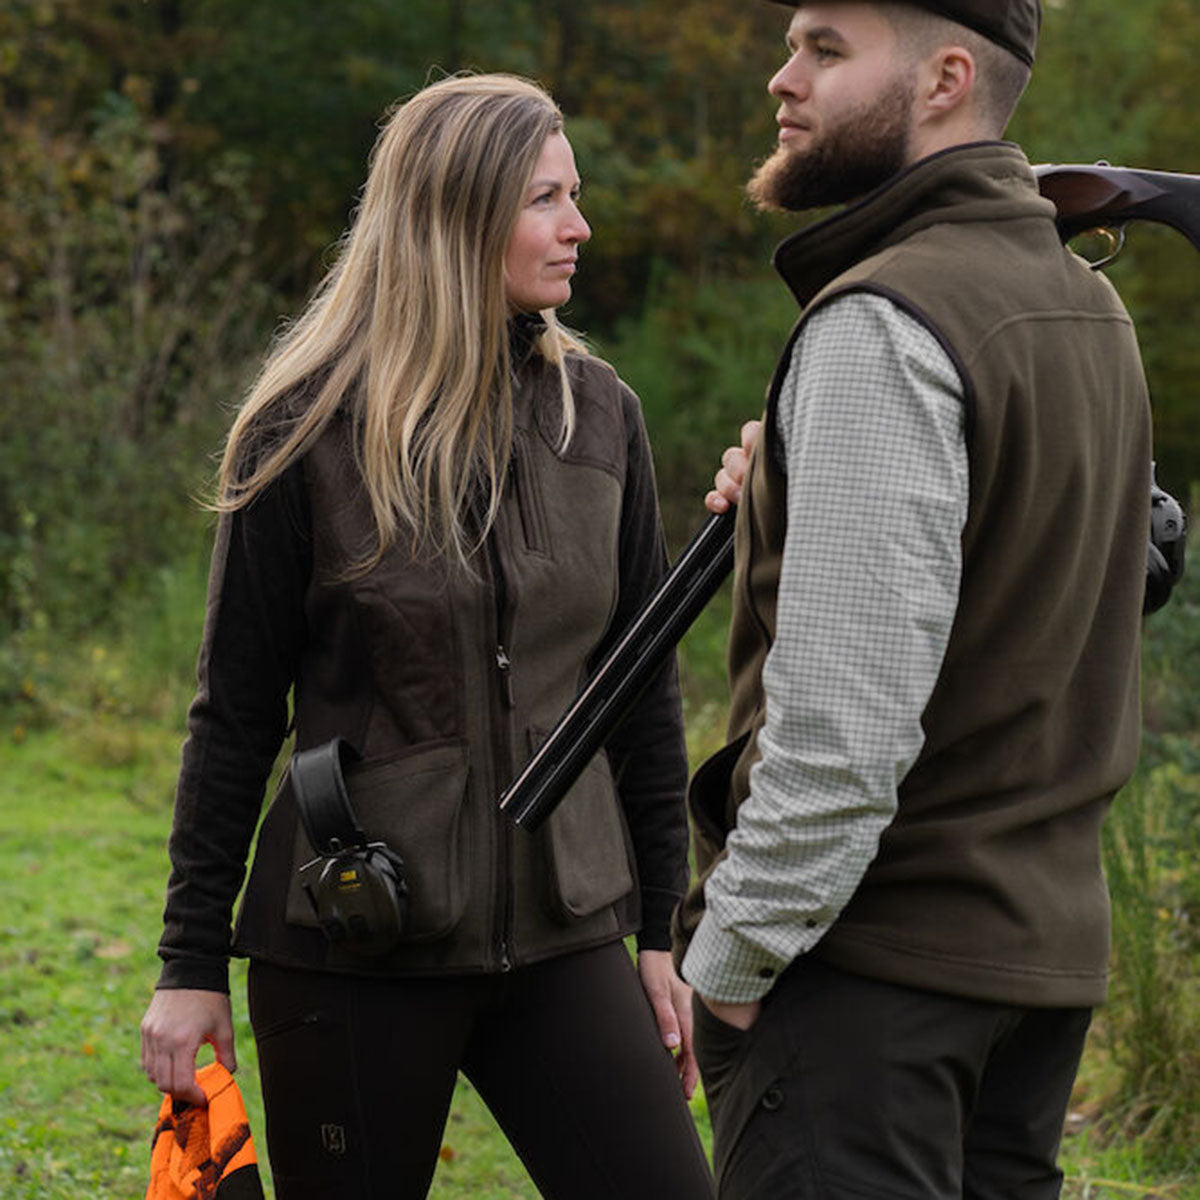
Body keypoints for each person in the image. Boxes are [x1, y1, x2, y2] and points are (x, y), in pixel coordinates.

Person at [140, 73, 716, 1200]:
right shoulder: (303, 429)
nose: (579, 226)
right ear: (459, 219)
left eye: (576, 194)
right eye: (547, 199)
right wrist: (187, 963)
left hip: (563, 937)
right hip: (356, 946)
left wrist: (659, 935)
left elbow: (641, 695)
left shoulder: (599, 416)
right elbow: (236, 711)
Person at [673, 2, 1152, 1197]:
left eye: (826, 49)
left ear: (945, 78)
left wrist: (729, 963)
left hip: (869, 992)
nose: (783, 79)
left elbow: (842, 736)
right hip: (1035, 981)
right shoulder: (1092, 310)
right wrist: (799, 479)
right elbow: (1097, 575)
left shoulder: (888, 322)